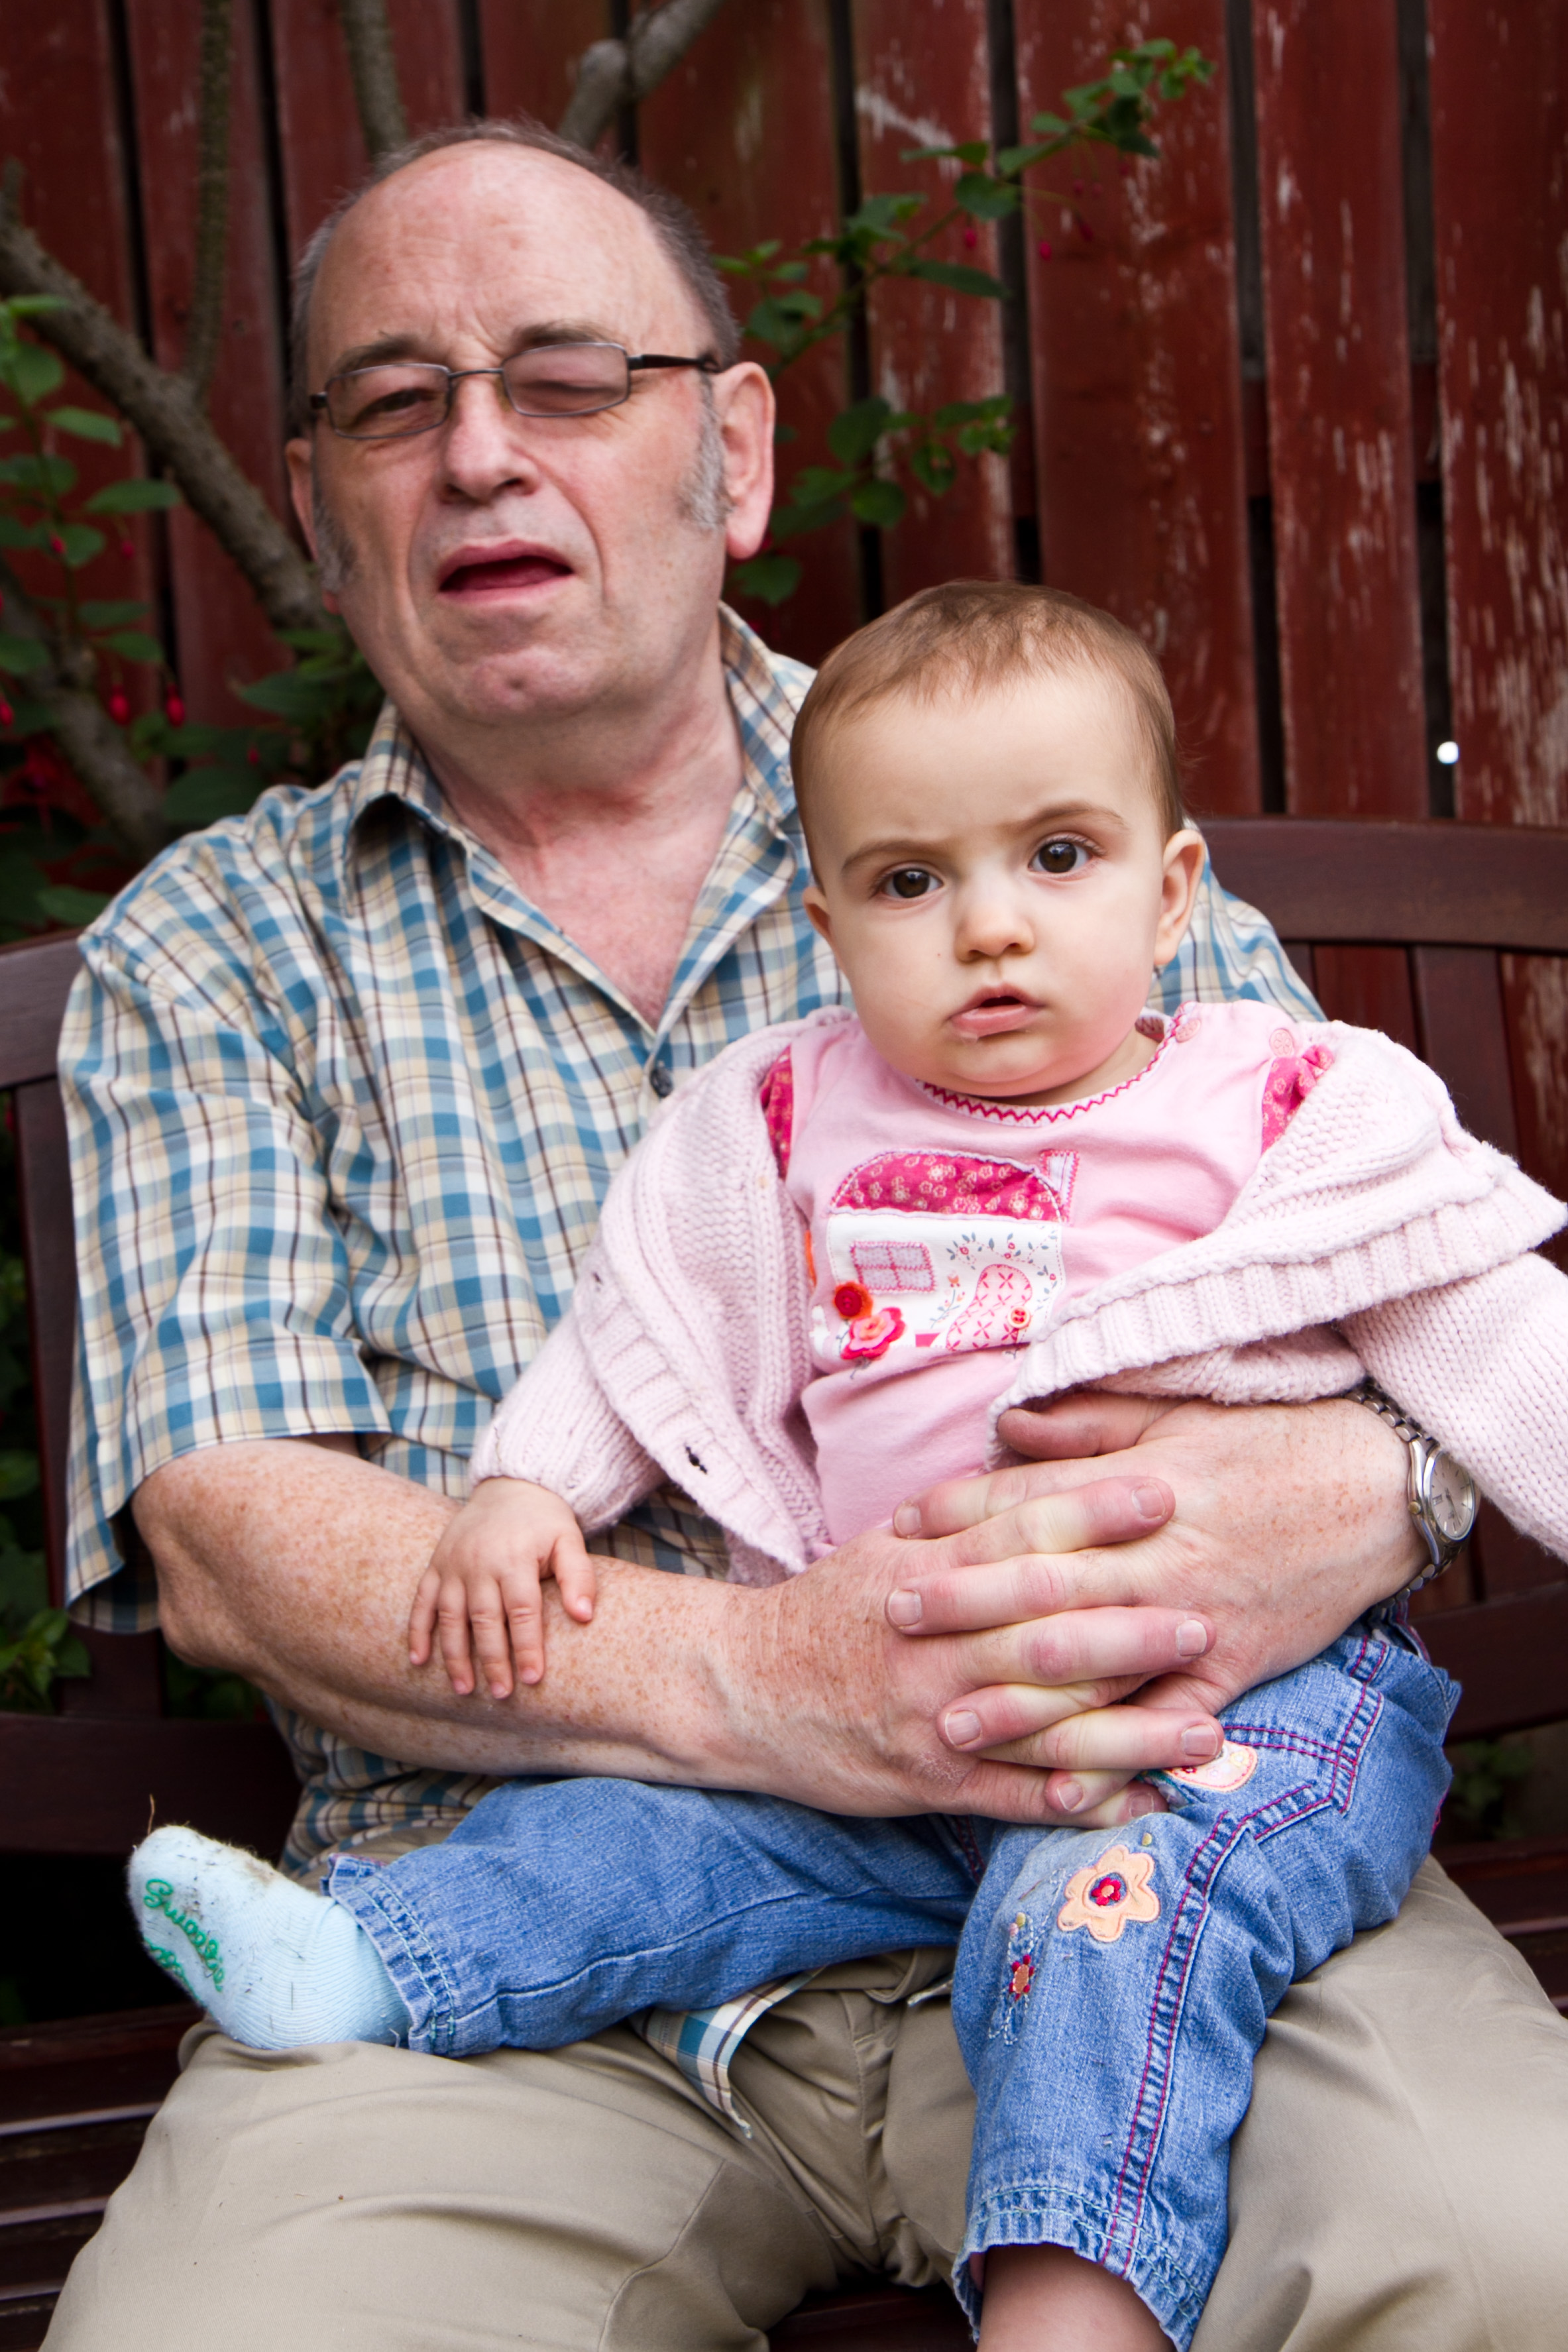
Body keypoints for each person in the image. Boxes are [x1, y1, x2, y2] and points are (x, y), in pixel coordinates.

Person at [46, 120, 1568, 2352]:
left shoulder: (1028, 794)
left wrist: (1363, 1484)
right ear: (316, 504)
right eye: (392, 401)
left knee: (1513, 2255)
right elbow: (234, 1540)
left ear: (734, 449)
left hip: (1154, 1837)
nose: (480, 455)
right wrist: (789, 1690)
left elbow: (1393, 1293)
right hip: (542, 1960)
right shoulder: (216, 954)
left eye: (567, 378)